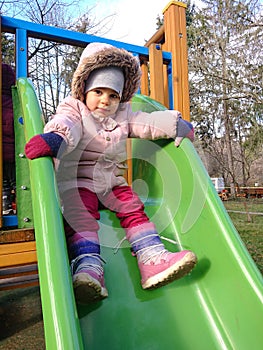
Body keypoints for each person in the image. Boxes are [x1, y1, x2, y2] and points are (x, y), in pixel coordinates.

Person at [25, 43, 197, 304]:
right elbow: (66, 124)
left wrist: (175, 125)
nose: (105, 100)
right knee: (81, 216)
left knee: (133, 207)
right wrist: (56, 139)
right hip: (76, 180)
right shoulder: (74, 108)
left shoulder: (123, 114)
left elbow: (146, 124)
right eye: (98, 91)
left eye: (113, 95)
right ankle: (88, 268)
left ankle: (152, 258)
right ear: (84, 89)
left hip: (109, 180)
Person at [2, 63, 16, 215]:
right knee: (15, 181)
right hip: (12, 153)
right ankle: (23, 203)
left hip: (2, 153)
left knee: (4, 182)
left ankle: (5, 205)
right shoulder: (14, 103)